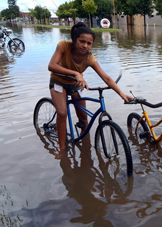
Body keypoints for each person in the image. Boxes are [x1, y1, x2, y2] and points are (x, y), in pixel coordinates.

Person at [48, 22, 132, 158]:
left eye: (89, 43)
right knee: (62, 113)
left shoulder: (88, 57)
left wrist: (122, 94)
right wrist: (75, 73)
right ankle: (62, 149)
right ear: (74, 40)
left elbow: (106, 77)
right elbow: (51, 65)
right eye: (82, 41)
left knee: (84, 117)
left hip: (76, 84)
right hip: (58, 82)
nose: (85, 46)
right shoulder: (63, 45)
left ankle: (86, 148)